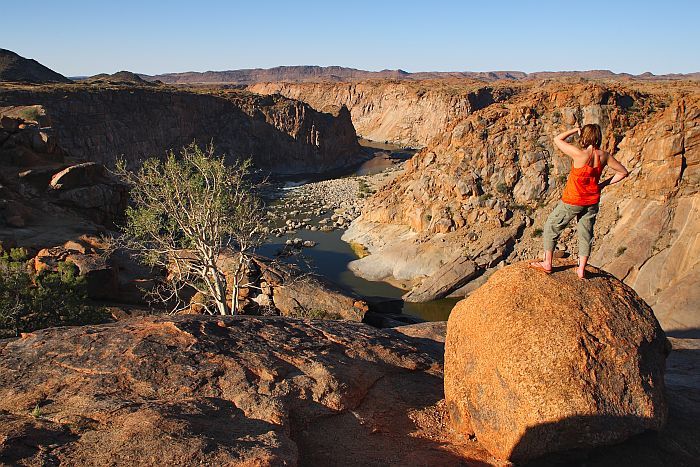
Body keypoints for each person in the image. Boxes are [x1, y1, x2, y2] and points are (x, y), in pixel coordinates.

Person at [530, 124, 629, 279]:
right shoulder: (605, 156)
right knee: (585, 233)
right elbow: (623, 172)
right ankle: (581, 269)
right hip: (592, 201)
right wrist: (601, 185)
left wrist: (574, 130)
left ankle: (547, 263)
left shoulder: (579, 154)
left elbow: (557, 139)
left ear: (584, 137)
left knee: (551, 226)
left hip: (573, 200)